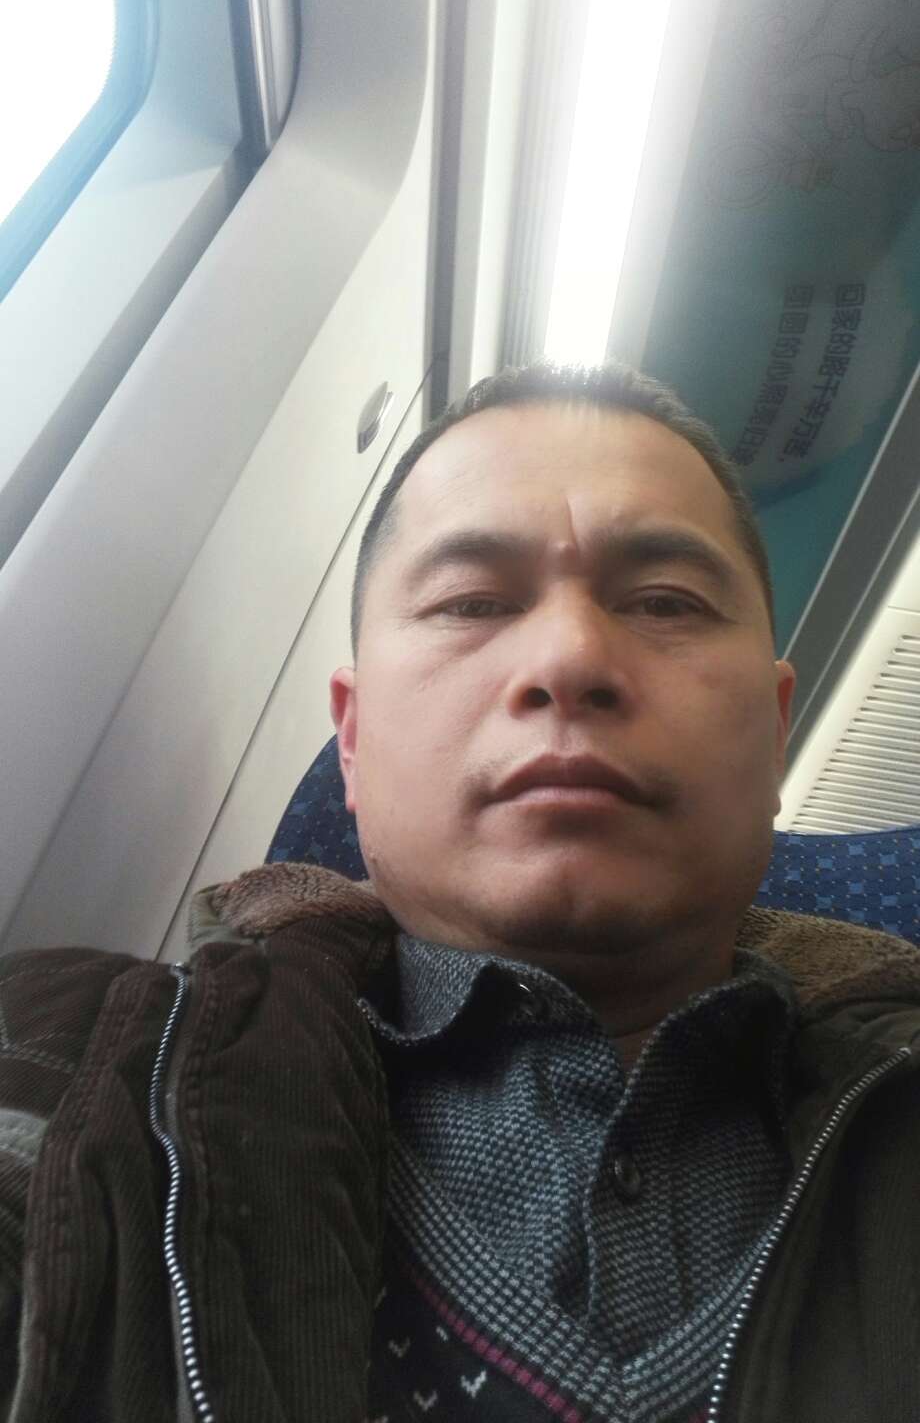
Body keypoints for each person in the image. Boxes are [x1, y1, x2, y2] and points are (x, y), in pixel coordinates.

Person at [1, 361, 919, 1423]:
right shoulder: (66, 1058)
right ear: (353, 740)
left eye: (665, 602)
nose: (570, 657)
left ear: (773, 731)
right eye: (472, 602)